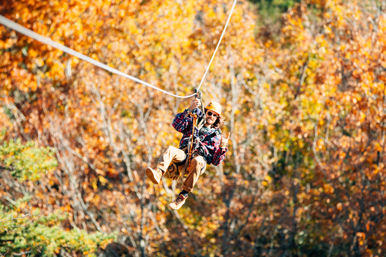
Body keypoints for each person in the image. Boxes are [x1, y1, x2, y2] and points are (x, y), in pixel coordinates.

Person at [146, 97, 228, 210]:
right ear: (205, 112)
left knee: (197, 161)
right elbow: (176, 124)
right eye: (209, 113)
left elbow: (215, 161)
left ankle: (183, 195)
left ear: (217, 118)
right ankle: (158, 173)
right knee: (171, 149)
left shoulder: (216, 136)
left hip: (199, 161)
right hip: (185, 154)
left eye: (215, 115)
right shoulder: (194, 121)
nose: (211, 117)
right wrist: (189, 109)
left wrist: (222, 147)